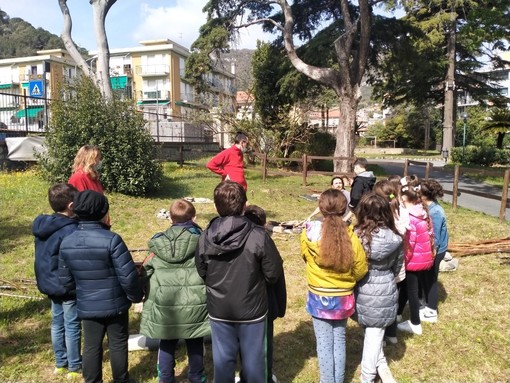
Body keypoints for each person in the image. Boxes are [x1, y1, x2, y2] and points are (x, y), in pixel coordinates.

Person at [195, 181, 284, 383]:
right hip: (248, 310)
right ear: (245, 205)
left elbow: (202, 270)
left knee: (224, 361)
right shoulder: (256, 236)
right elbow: (272, 273)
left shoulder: (206, 236)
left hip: (225, 308)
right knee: (252, 365)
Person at [59, 190, 143, 383]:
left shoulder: (67, 242)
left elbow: (65, 279)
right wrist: (136, 296)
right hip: (116, 305)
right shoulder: (112, 239)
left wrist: (81, 293)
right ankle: (121, 379)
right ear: (103, 212)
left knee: (91, 345)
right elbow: (128, 276)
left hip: (87, 304)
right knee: (118, 343)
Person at [300, 188, 368, 383]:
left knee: (323, 344)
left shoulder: (309, 233)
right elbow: (360, 268)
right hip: (343, 297)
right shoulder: (351, 237)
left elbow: (306, 256)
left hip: (318, 297)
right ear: (344, 209)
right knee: (339, 340)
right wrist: (348, 279)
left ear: (321, 208)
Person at [140, 199, 209, 383]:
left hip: (166, 305)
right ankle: (196, 376)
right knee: (195, 341)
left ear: (170, 219)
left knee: (167, 342)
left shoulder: (157, 245)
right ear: (194, 217)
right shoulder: (203, 243)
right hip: (195, 304)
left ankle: (166, 378)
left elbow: (145, 271)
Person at [32, 183, 81, 380]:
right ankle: (74, 366)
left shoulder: (43, 225)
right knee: (71, 324)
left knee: (57, 322)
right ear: (71, 206)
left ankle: (60, 363)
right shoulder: (71, 230)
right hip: (67, 285)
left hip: (48, 282)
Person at [354, 193, 404, 383]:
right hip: (384, 288)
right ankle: (373, 369)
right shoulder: (395, 238)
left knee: (372, 333)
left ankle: (367, 375)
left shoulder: (356, 235)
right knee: (375, 333)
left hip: (360, 286)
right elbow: (397, 268)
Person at [242, 205, 287, 383]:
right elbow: (274, 273)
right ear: (263, 223)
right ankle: (264, 377)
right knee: (263, 345)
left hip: (242, 301)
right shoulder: (263, 240)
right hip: (261, 301)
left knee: (247, 344)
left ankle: (258, 376)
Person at [373, 179, 410, 345]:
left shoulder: (380, 213)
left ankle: (380, 337)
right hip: (398, 262)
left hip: (382, 268)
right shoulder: (401, 209)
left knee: (379, 303)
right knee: (393, 298)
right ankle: (392, 333)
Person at [396, 176, 434, 336]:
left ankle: (415, 323)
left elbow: (408, 243)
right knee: (407, 287)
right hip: (423, 257)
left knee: (412, 290)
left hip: (413, 259)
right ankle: (398, 313)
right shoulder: (423, 211)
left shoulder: (410, 217)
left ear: (405, 198)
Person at [420, 179, 449, 323]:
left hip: (436, 250)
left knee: (431, 279)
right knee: (426, 276)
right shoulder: (428, 207)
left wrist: (432, 253)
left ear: (425, 195)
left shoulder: (436, 211)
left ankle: (431, 310)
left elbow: (435, 236)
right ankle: (426, 303)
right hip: (430, 248)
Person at [344, 158, 376, 222]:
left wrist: (351, 206)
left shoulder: (359, 180)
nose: (354, 170)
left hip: (360, 208)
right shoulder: (371, 178)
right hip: (370, 206)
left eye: (354, 168)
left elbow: (356, 196)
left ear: (357, 167)